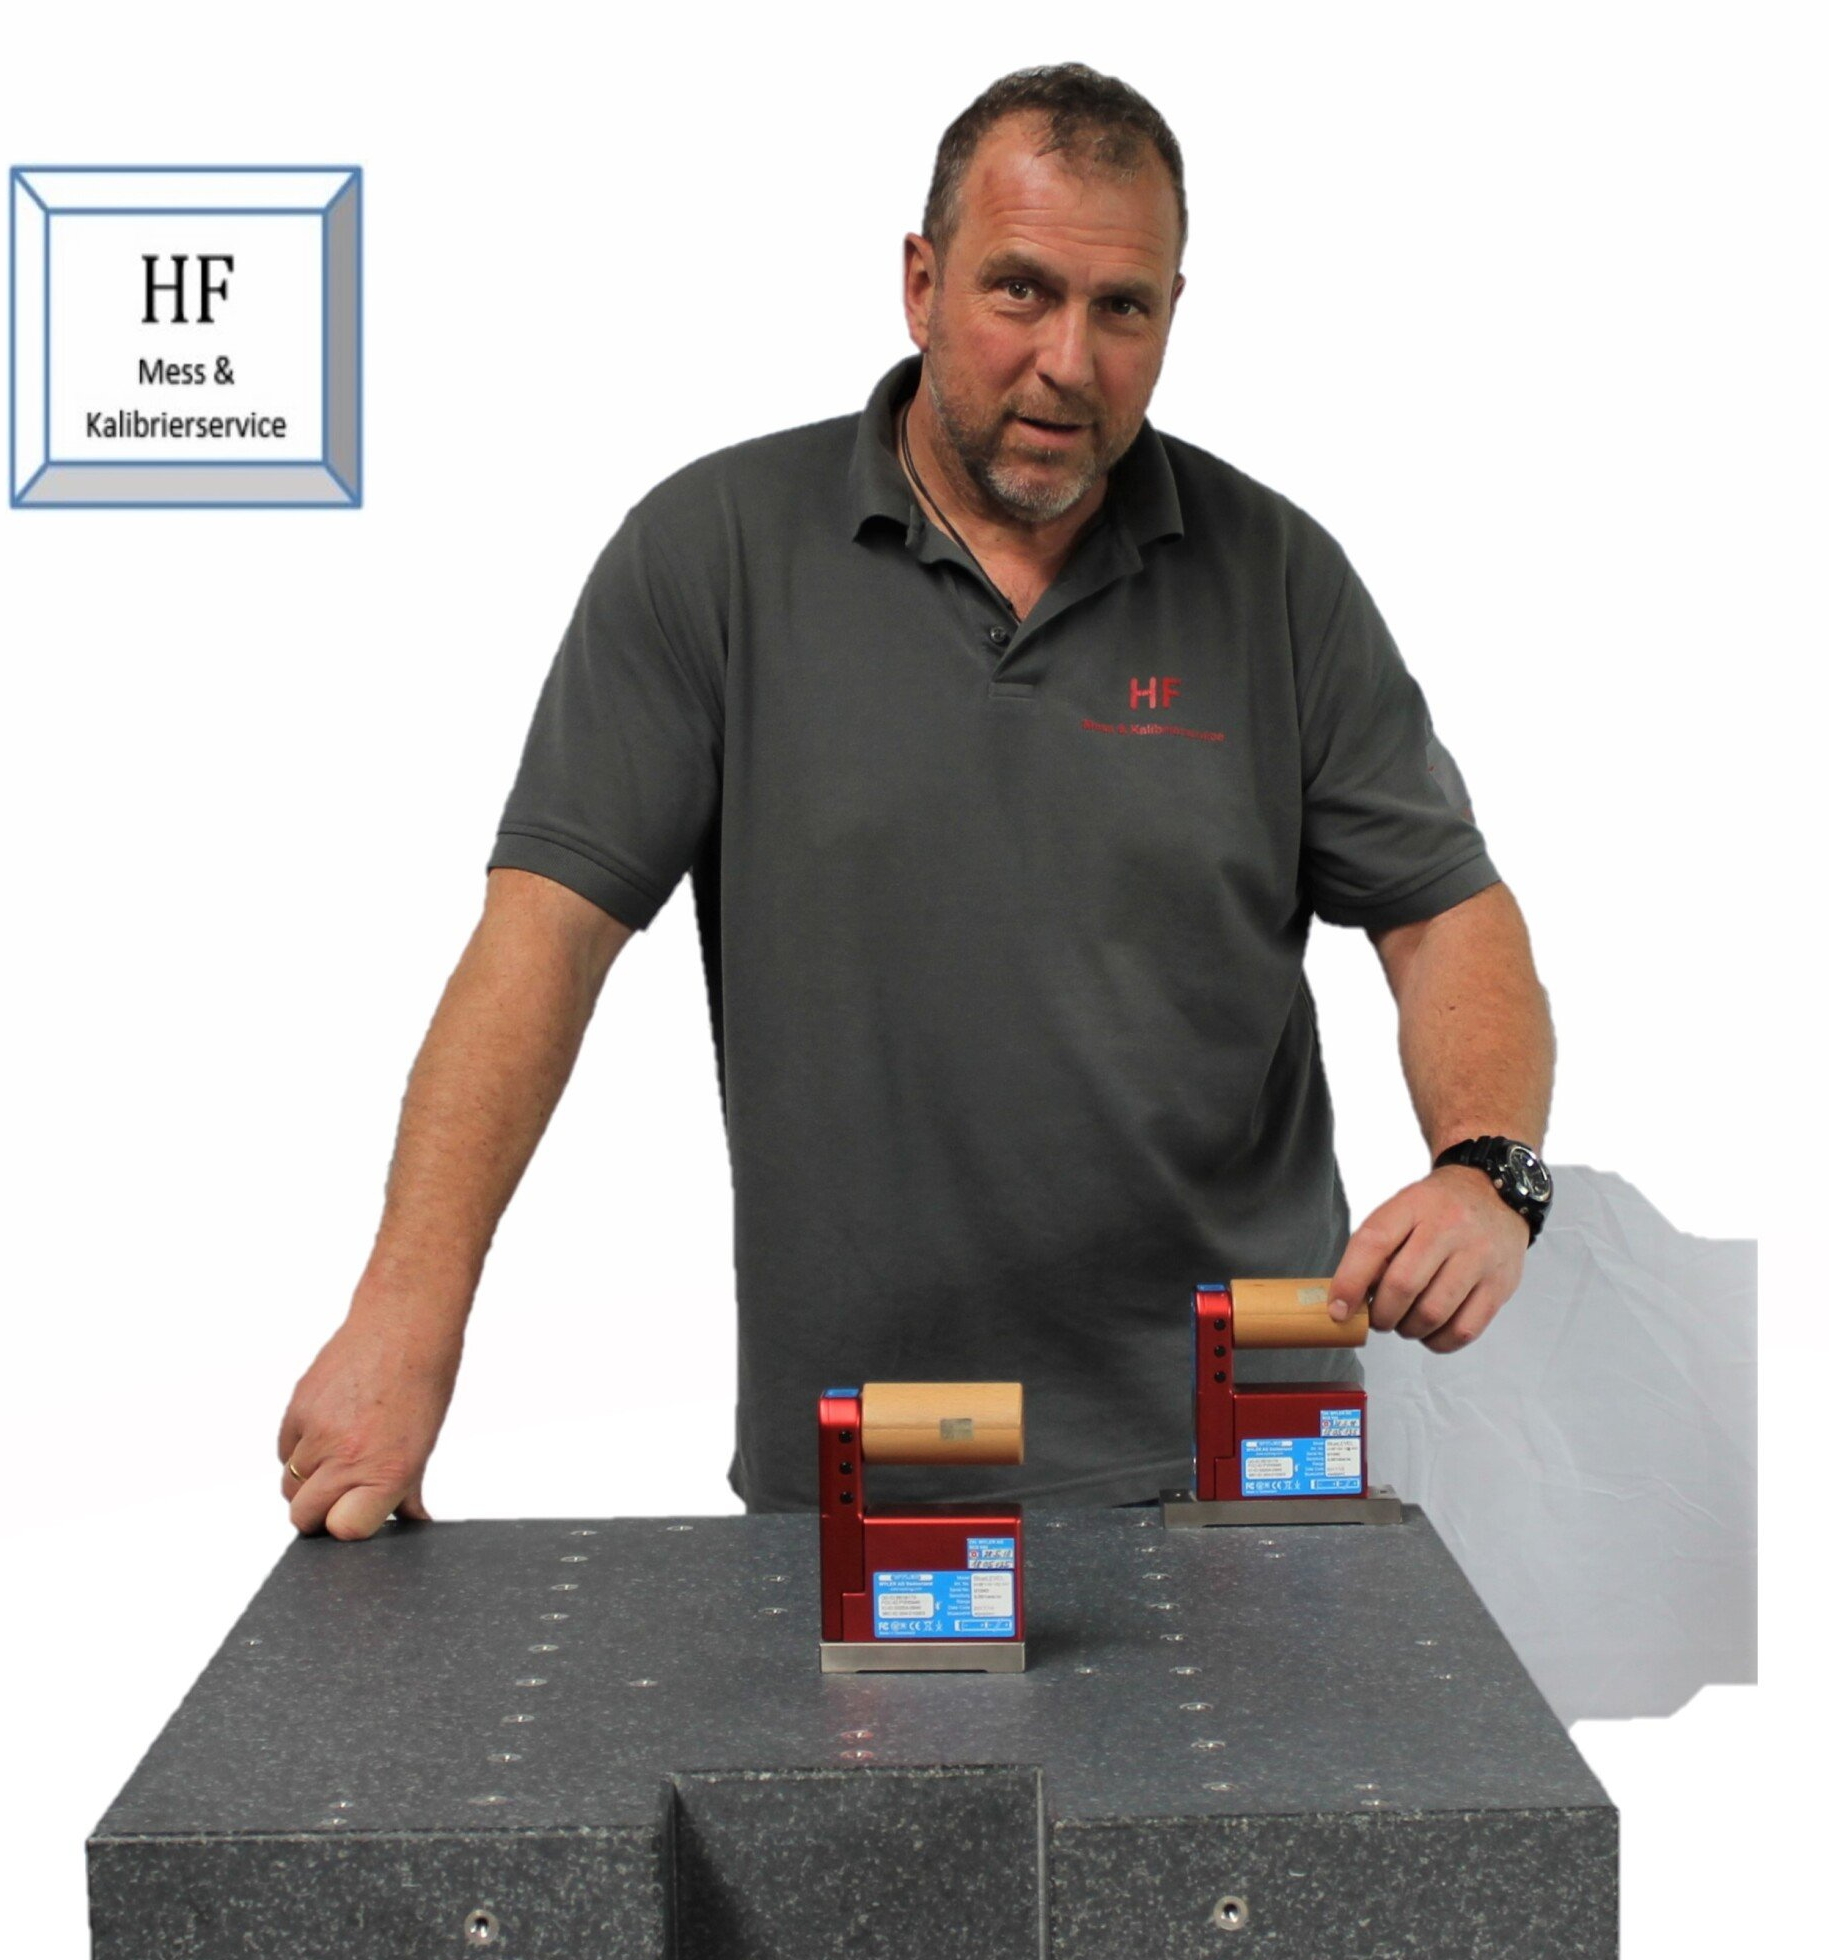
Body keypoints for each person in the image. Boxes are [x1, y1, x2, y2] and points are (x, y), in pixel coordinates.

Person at [279, 62, 1554, 1541]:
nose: (1068, 361)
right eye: (1021, 291)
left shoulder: (1280, 579)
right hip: (870, 1467)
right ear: (921, 282)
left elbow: (1446, 916)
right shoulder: (716, 556)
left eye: (1122, 308)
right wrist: (407, 1313)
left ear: (1172, 314)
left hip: (1244, 1448)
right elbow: (543, 942)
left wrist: (1490, 1170)